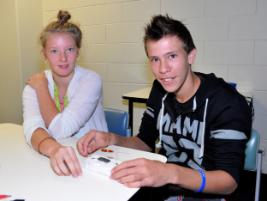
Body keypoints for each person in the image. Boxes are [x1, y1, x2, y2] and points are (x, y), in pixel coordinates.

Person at [77, 15, 252, 201]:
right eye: (155, 59)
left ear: (191, 55)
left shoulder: (227, 103)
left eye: (172, 56)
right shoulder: (159, 90)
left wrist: (170, 173)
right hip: (164, 186)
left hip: (208, 193)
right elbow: (145, 141)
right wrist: (111, 139)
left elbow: (229, 182)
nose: (163, 69)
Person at [22, 10, 107, 178]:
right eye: (54, 51)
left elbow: (61, 130)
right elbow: (32, 129)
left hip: (95, 162)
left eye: (69, 49)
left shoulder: (91, 80)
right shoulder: (33, 85)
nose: (63, 58)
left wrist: (42, 89)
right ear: (44, 54)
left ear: (78, 52)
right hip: (53, 159)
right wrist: (54, 150)